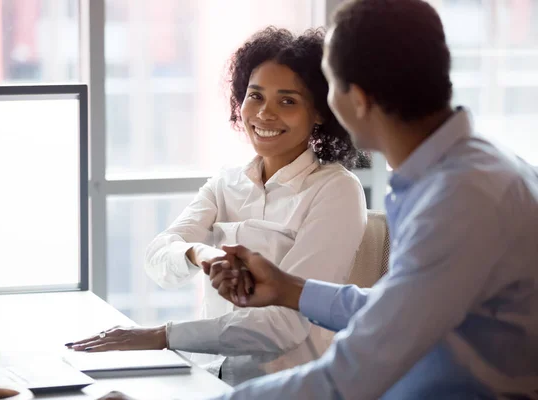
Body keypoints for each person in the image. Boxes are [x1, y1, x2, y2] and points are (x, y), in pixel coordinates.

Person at [206, 0, 538, 399]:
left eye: (329, 87)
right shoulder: (464, 170)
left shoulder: (459, 200)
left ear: (358, 99)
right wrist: (287, 288)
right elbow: (401, 309)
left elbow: (349, 376)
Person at [66, 27, 368, 386]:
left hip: (288, 386)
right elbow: (158, 259)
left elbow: (283, 326)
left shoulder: (336, 190)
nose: (265, 114)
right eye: (255, 96)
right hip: (207, 377)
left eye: (287, 101)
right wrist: (201, 254)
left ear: (319, 112)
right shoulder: (227, 183)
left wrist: (163, 336)